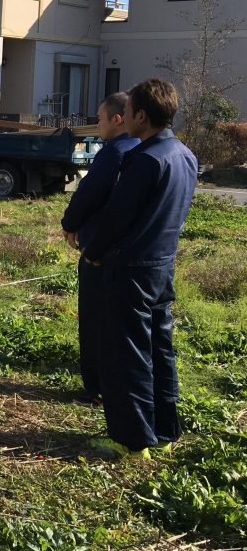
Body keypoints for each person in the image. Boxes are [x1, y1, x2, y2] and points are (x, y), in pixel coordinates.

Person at [82, 78, 197, 459]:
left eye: (128, 111)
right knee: (159, 348)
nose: (123, 117)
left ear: (141, 116)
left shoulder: (145, 160)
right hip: (162, 266)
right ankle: (165, 426)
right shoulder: (184, 155)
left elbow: (118, 218)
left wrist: (93, 251)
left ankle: (133, 441)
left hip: (131, 269)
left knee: (126, 355)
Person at [60, 91, 138, 404]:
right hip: (129, 253)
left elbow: (88, 194)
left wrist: (70, 224)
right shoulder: (143, 148)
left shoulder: (114, 152)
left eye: (99, 119)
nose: (97, 124)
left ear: (117, 119)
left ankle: (95, 388)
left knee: (94, 320)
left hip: (98, 250)